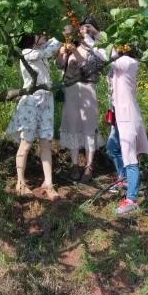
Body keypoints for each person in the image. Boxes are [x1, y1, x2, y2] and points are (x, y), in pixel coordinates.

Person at [6, 33, 62, 200]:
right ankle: (20, 183)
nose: (44, 35)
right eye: (39, 34)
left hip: (46, 100)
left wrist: (64, 32)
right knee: (26, 143)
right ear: (31, 38)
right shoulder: (27, 53)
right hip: (31, 102)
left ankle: (48, 183)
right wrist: (62, 34)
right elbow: (48, 50)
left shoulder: (40, 50)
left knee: (46, 142)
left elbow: (50, 45)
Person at [56, 18, 107, 183]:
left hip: (87, 89)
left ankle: (89, 165)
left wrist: (77, 50)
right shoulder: (72, 44)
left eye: (88, 26)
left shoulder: (96, 46)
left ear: (93, 29)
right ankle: (74, 164)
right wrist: (63, 52)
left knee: (88, 126)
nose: (84, 29)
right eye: (82, 26)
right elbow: (59, 65)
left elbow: (87, 65)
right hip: (71, 90)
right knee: (72, 126)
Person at [105, 44, 148, 216]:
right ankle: (123, 180)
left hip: (128, 117)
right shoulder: (119, 63)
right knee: (112, 148)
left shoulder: (129, 62)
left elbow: (104, 53)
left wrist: (92, 34)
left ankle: (132, 200)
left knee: (130, 157)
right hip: (119, 116)